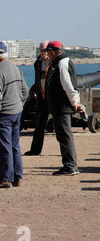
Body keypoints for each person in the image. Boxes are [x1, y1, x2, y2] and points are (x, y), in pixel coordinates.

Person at [0, 42, 28, 188]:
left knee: (4, 147)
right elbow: (25, 91)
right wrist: (19, 105)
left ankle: (5, 179)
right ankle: (17, 176)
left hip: (3, 115)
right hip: (16, 113)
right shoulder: (15, 68)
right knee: (14, 146)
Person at [44, 41, 82, 176]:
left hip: (62, 106)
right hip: (58, 106)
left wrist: (75, 102)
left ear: (53, 52)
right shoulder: (58, 63)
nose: (47, 55)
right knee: (63, 136)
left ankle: (70, 166)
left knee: (65, 136)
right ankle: (69, 165)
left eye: (48, 52)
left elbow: (69, 86)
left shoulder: (62, 64)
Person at [24, 41, 51, 155]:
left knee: (61, 128)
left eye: (45, 50)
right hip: (41, 97)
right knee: (39, 125)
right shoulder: (37, 63)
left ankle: (67, 154)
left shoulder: (55, 62)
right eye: (41, 50)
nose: (43, 53)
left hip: (53, 97)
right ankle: (35, 150)